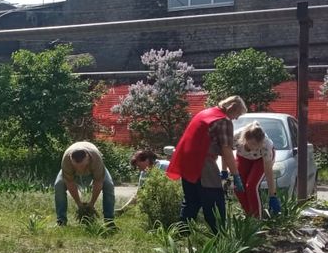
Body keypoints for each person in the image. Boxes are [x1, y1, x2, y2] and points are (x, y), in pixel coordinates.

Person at [166, 95, 248, 232]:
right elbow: (226, 150)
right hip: (202, 163)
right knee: (214, 199)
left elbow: (219, 148)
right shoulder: (223, 121)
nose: (236, 118)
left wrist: (224, 171)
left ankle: (181, 235)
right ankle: (219, 235)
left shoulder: (205, 113)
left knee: (192, 201)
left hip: (186, 161)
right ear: (232, 108)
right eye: (237, 114)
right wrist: (236, 175)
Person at [54, 141, 115, 226]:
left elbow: (98, 182)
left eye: (82, 166)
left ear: (87, 157)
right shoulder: (66, 159)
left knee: (109, 185)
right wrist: (79, 204)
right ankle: (61, 221)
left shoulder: (96, 158)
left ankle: (109, 221)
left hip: (93, 170)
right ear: (71, 159)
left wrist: (91, 204)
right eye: (76, 166)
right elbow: (70, 182)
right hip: (72, 173)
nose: (79, 169)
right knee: (59, 185)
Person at [230, 122, 280, 218]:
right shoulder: (235, 138)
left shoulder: (266, 145)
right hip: (244, 157)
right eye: (253, 144)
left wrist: (272, 195)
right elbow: (225, 153)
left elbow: (268, 171)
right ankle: (250, 215)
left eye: (258, 145)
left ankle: (257, 221)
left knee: (251, 186)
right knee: (238, 187)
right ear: (246, 139)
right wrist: (224, 171)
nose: (256, 147)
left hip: (261, 159)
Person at [115, 149, 169, 215]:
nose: (139, 169)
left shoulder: (166, 166)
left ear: (146, 160)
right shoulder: (144, 173)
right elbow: (139, 194)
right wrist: (123, 210)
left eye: (139, 166)